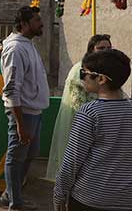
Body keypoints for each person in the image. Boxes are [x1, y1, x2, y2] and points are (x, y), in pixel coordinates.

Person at [53, 49, 132, 211]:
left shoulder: (90, 112)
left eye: (85, 74)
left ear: (101, 79)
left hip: (90, 199)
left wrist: (59, 193)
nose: (81, 78)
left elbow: (72, 160)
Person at [0, 6, 50, 210]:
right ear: (24, 24)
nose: (41, 23)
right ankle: (15, 202)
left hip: (35, 113)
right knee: (16, 157)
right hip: (24, 114)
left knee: (30, 154)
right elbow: (12, 89)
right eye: (37, 20)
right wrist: (20, 123)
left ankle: (9, 193)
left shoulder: (27, 44)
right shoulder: (15, 48)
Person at [45, 34, 112, 181]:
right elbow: (79, 104)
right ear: (91, 50)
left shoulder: (104, 69)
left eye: (108, 48)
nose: (105, 51)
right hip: (80, 123)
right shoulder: (81, 70)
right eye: (101, 48)